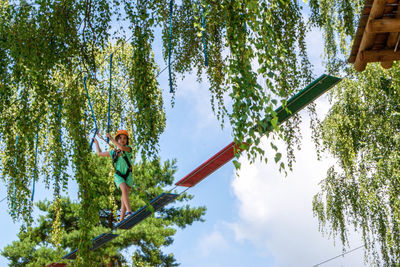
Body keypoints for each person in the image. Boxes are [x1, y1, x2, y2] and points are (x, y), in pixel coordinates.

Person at [93, 129, 134, 222]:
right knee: (124, 190)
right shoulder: (113, 152)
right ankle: (130, 212)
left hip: (128, 175)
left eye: (124, 138)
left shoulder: (128, 149)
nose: (122, 140)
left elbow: (122, 148)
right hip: (119, 175)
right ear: (117, 139)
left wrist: (111, 138)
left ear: (127, 141)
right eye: (120, 138)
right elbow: (99, 154)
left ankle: (122, 219)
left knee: (124, 197)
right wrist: (96, 142)